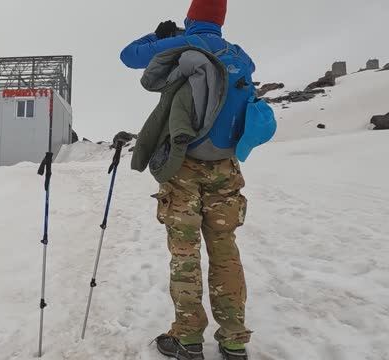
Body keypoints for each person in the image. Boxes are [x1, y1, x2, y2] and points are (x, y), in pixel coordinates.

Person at [118, 0, 276, 359]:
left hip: (184, 167)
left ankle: (188, 339)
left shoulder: (182, 46)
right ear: (220, 22)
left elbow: (129, 56)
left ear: (191, 17)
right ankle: (234, 340)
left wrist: (160, 35)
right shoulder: (239, 56)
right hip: (226, 167)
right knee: (225, 251)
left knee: (185, 252)